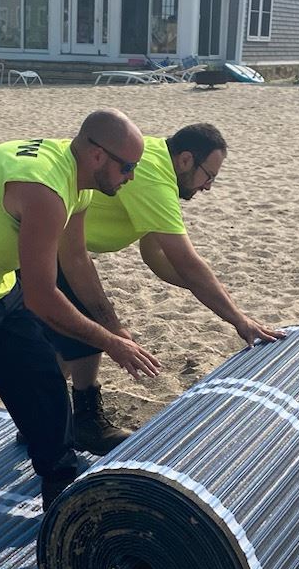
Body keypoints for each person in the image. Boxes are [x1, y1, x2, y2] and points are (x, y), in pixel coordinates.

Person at [0, 108, 163, 544]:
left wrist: (115, 328)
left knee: (41, 376)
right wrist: (111, 346)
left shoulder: (78, 182)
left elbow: (75, 260)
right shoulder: (46, 190)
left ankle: (60, 483)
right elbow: (42, 297)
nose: (132, 176)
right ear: (98, 155)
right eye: (128, 166)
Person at [48, 122, 285, 453]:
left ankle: (46, 418)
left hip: (62, 243)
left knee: (64, 339)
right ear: (186, 160)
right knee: (85, 331)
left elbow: (154, 254)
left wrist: (206, 292)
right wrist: (237, 319)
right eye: (209, 176)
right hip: (47, 238)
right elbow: (188, 264)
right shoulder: (153, 178)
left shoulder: (157, 162)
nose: (209, 187)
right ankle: (80, 423)